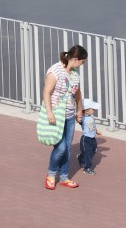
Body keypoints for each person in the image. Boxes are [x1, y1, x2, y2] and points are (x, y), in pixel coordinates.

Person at [43, 45, 88, 190]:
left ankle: (64, 177)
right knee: (61, 148)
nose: (82, 65)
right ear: (75, 59)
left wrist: (79, 110)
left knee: (67, 148)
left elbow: (77, 94)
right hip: (56, 115)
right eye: (82, 62)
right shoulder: (55, 71)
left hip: (69, 115)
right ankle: (51, 175)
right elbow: (46, 92)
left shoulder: (74, 75)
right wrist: (49, 112)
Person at [77, 98, 103, 175]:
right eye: (93, 109)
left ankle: (81, 157)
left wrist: (96, 130)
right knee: (87, 154)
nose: (94, 110)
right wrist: (79, 115)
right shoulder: (83, 118)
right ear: (87, 110)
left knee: (93, 151)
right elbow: (78, 119)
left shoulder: (90, 116)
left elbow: (92, 126)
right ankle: (87, 168)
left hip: (92, 138)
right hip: (86, 139)